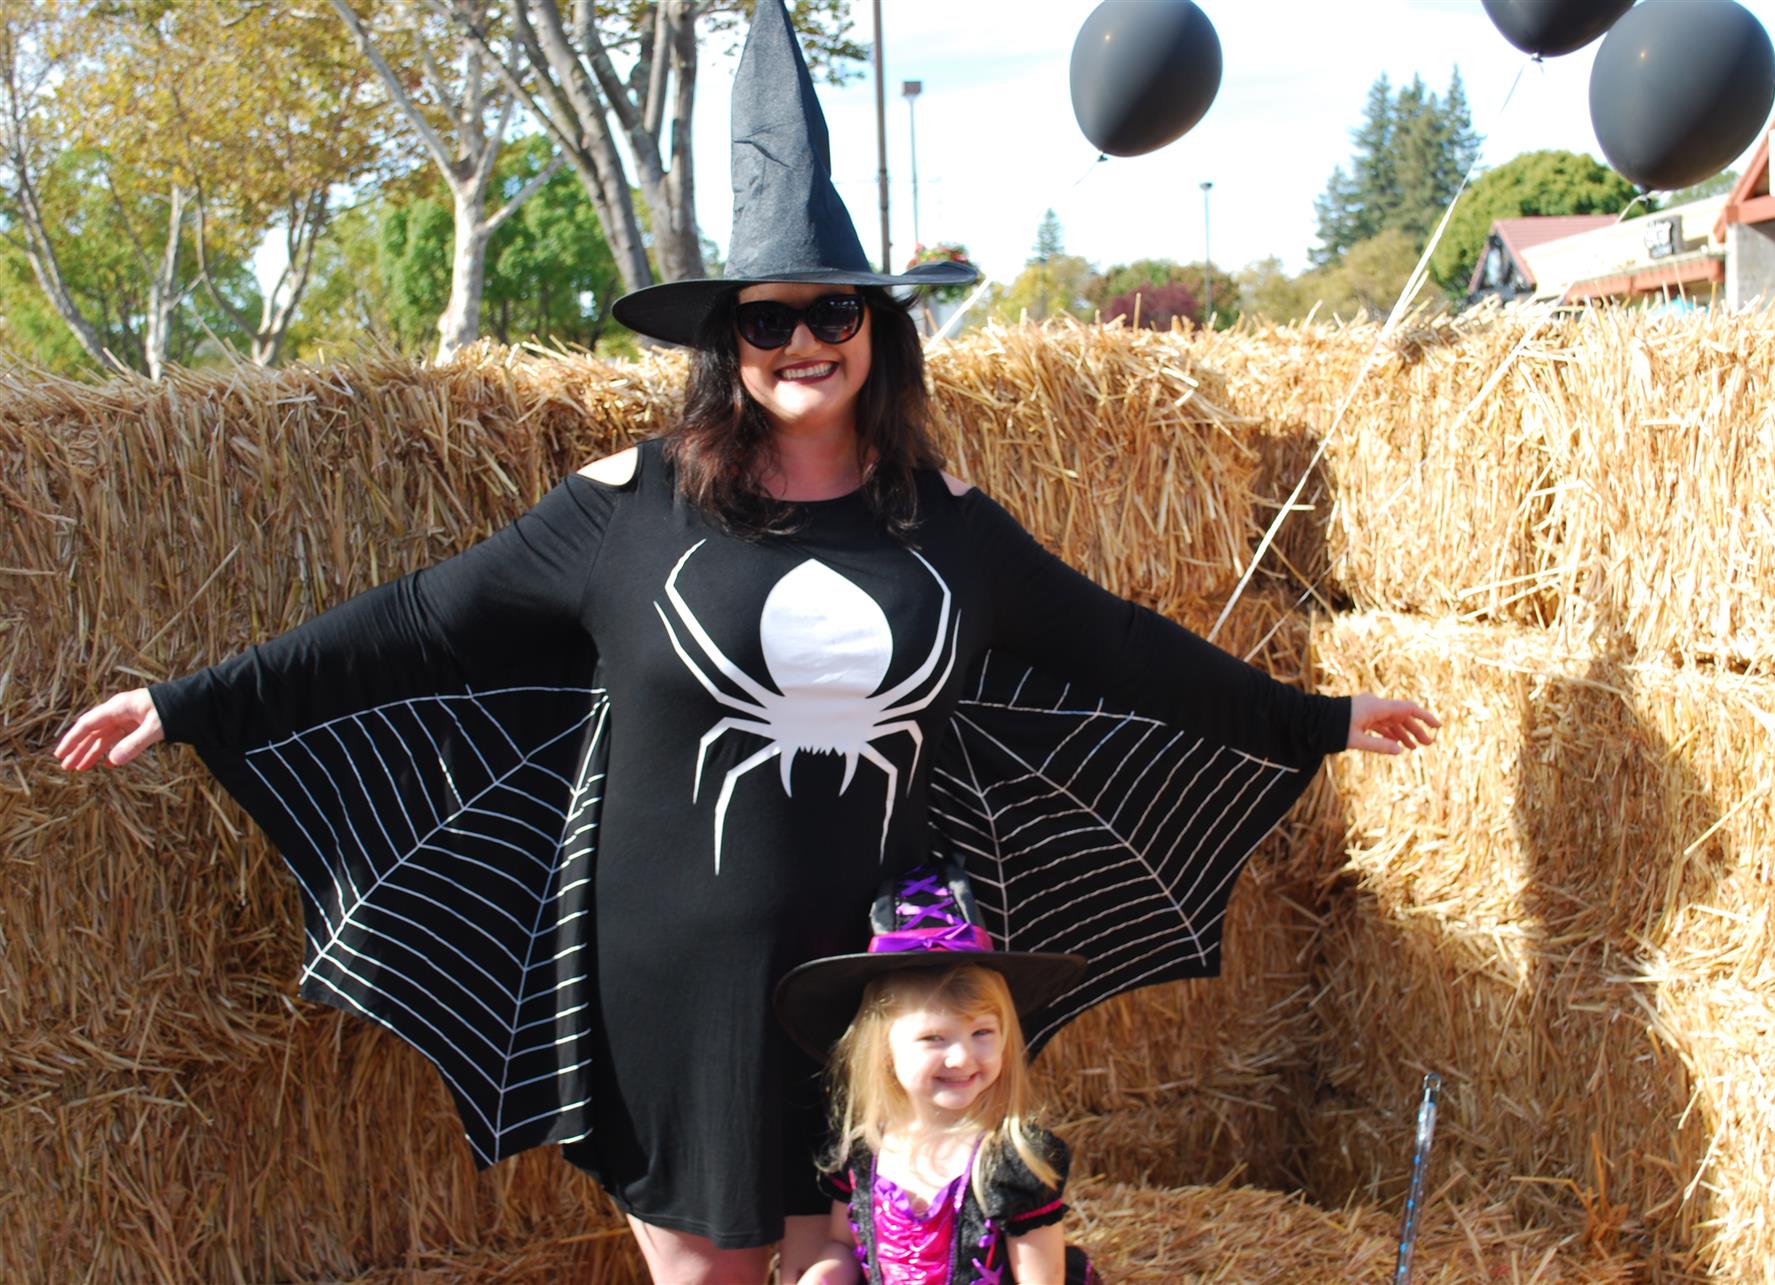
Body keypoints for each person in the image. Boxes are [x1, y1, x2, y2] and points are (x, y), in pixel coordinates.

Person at [52, 5, 1438, 1283]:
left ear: (877, 329)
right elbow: (421, 622)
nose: (802, 341)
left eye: (834, 310)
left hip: (876, 989)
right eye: (766, 319)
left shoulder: (947, 524)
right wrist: (190, 701)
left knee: (861, 1269)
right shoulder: (628, 506)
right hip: (677, 988)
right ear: (728, 342)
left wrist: (1312, 719)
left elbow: (1117, 647)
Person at [777, 863, 1098, 1285]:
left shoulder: (1011, 1161)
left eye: (982, 1032)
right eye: (933, 1038)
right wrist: (824, 1275)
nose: (962, 1058)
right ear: (884, 1052)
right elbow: (842, 1244)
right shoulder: (864, 1150)